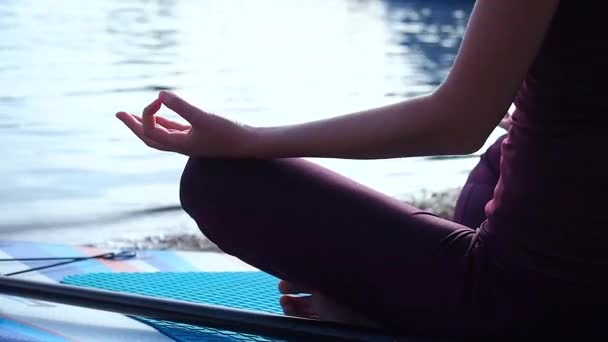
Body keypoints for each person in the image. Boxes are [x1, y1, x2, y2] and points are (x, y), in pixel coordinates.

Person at [116, 0, 608, 337]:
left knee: (218, 180)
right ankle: (417, 295)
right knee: (498, 162)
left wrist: (246, 140)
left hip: (536, 309)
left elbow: (455, 124)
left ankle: (396, 314)